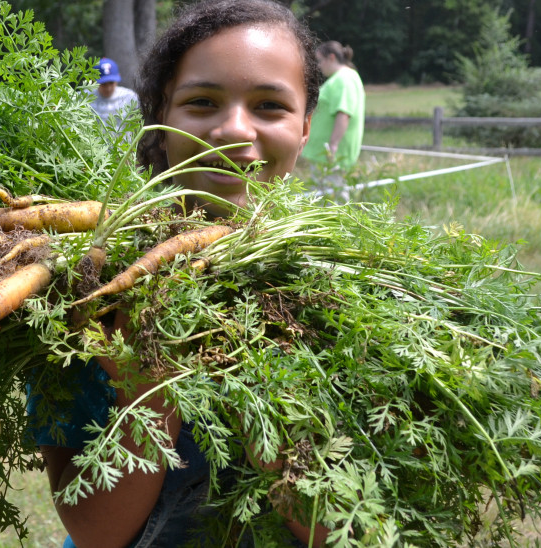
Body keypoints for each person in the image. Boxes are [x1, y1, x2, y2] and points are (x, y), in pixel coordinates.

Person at [30, 1, 329, 546]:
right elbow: (97, 533)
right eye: (202, 102)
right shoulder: (82, 289)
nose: (234, 129)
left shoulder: (351, 286)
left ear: (305, 126)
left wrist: (257, 383)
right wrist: (148, 387)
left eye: (268, 105)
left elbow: (338, 529)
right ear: (160, 120)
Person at [301, 41, 365, 174]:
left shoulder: (343, 79)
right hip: (324, 154)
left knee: (332, 192)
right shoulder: (343, 78)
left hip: (331, 156)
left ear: (331, 57)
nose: (318, 66)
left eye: (320, 61)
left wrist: (333, 146)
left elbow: (343, 113)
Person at [89, 57, 140, 136]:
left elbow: (140, 119)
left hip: (125, 147)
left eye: (111, 83)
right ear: (93, 81)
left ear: (118, 78)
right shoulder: (84, 97)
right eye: (103, 84)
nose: (108, 88)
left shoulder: (129, 96)